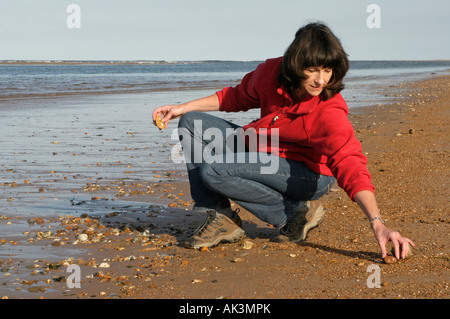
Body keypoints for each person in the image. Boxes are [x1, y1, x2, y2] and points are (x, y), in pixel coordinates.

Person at [152, 22, 415, 260]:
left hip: (308, 174)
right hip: (263, 149)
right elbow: (235, 97)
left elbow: (350, 163)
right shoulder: (271, 72)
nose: (320, 80)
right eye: (312, 69)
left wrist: (378, 223)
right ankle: (220, 217)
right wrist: (182, 107)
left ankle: (294, 214)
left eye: (327, 70)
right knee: (192, 123)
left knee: (215, 171)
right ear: (295, 64)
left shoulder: (329, 112)